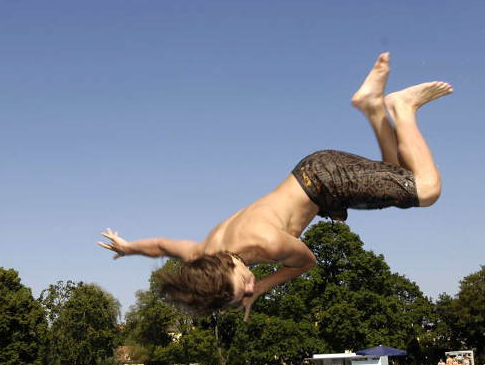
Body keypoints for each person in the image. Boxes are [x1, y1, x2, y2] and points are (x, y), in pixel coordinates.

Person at [98, 53, 451, 317]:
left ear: (229, 269)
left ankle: (401, 106)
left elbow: (306, 262)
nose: (249, 288)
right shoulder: (203, 254)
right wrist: (129, 248)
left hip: (328, 180)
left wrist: (263, 287)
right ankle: (373, 107)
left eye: (243, 287)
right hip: (316, 179)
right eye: (243, 294)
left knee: (426, 190)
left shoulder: (266, 244)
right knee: (400, 173)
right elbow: (160, 246)